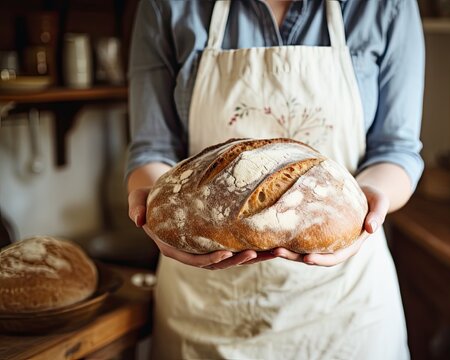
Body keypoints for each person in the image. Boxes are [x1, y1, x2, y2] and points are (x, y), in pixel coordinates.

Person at [126, 0, 424, 358]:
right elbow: (151, 148)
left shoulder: (385, 5)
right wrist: (162, 213)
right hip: (206, 310)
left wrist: (370, 196)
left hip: (345, 312)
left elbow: (396, 150)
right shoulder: (167, 5)